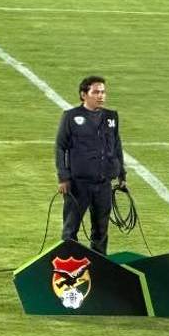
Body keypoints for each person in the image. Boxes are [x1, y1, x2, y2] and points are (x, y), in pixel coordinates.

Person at [55, 75, 126, 255]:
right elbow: (60, 147)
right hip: (78, 184)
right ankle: (68, 264)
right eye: (96, 92)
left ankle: (98, 263)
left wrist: (122, 174)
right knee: (71, 228)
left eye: (103, 92)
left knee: (101, 230)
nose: (101, 96)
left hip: (103, 184)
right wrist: (63, 177)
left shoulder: (111, 117)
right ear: (83, 94)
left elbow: (117, 146)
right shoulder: (71, 117)